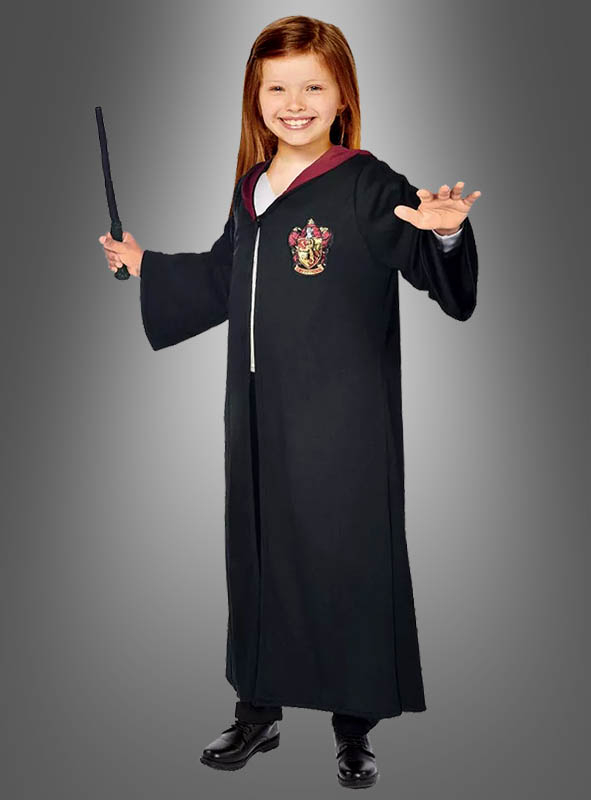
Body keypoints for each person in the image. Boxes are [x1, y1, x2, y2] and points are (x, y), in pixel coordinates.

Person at [98, 15, 481, 789]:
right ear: (255, 97)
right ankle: (257, 710)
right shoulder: (252, 188)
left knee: (347, 558)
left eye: (312, 86)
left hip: (343, 421)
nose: (294, 103)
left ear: (342, 97)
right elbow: (224, 276)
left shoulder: (367, 183)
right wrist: (145, 265)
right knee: (259, 555)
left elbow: (440, 280)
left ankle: (354, 726)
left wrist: (442, 238)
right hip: (259, 417)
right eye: (277, 88)